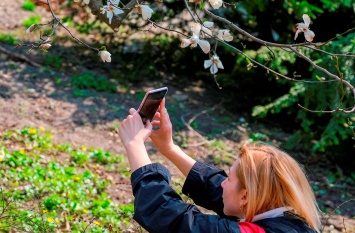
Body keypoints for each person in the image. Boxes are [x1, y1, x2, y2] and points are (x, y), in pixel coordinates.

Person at [118, 99, 322, 233]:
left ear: (245, 197)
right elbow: (215, 187)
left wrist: (134, 145)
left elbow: (173, 221)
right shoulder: (293, 222)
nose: (222, 183)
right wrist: (169, 148)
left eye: (229, 178)